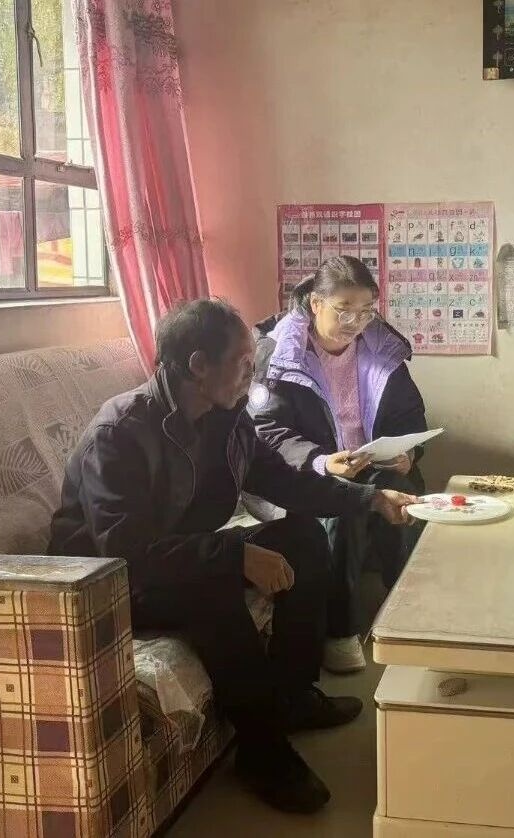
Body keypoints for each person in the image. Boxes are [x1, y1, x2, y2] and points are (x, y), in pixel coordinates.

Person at [47, 298, 418, 814]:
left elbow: (288, 483)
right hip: (109, 584)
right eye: (243, 362)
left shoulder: (227, 419)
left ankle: (292, 696)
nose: (253, 372)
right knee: (212, 585)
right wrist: (233, 553)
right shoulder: (121, 432)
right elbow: (125, 550)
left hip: (181, 555)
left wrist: (371, 499)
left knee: (304, 537)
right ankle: (261, 751)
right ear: (198, 365)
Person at [250, 256, 427, 674]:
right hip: (308, 474)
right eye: (344, 310)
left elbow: (410, 416)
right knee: (344, 507)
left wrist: (410, 453)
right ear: (316, 303)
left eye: (365, 311)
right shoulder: (281, 354)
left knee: (404, 492)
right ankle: (341, 630)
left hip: (372, 460)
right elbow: (267, 431)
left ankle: (405, 606)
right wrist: (320, 461)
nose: (356, 322)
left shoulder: (381, 348)